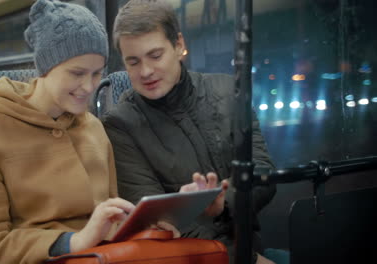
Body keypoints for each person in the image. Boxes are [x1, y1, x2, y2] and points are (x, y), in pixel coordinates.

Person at [0, 1, 137, 263]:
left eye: (97, 73)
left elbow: (108, 218)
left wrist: (142, 227)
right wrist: (71, 242)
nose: (88, 87)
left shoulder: (94, 128)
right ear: (44, 68)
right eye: (76, 73)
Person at [102, 1, 282, 263]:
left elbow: (264, 175)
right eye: (133, 62)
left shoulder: (228, 92)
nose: (146, 71)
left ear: (179, 45)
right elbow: (159, 226)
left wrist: (224, 204)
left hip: (251, 248)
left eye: (155, 55)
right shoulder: (120, 126)